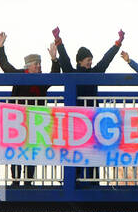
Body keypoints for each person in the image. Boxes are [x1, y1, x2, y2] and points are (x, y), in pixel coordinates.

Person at [53, 26, 124, 181]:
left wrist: (117, 44)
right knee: (75, 148)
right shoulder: (71, 73)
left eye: (91, 61)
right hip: (76, 120)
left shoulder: (95, 72)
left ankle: (92, 178)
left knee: (92, 149)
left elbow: (106, 59)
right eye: (88, 61)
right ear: (80, 61)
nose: (90, 63)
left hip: (92, 119)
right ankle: (74, 178)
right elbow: (64, 59)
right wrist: (58, 42)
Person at [0, 31, 62, 185]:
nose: (39, 66)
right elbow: (5, 66)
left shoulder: (43, 80)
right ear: (28, 66)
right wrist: (0, 47)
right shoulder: (19, 75)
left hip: (36, 121)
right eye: (36, 64)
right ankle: (16, 180)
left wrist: (54, 59)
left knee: (32, 150)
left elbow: (55, 75)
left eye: (39, 63)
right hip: (18, 121)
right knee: (17, 149)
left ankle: (29, 180)